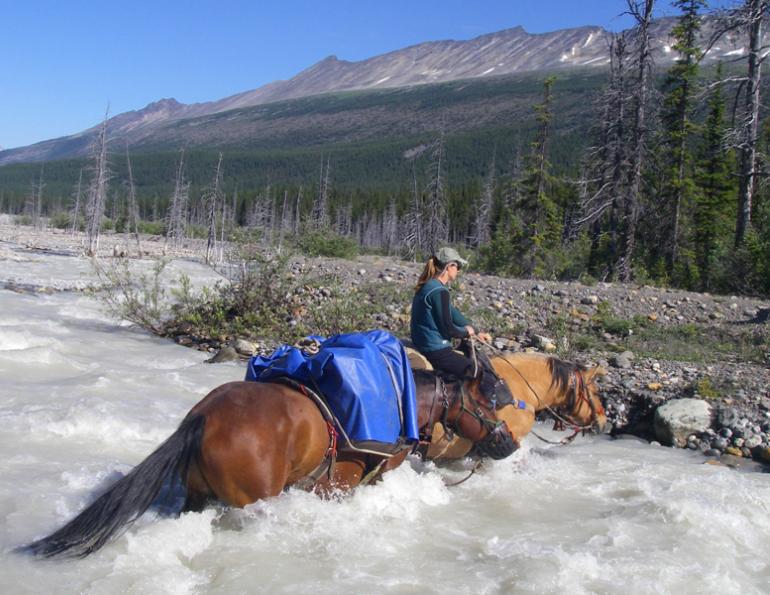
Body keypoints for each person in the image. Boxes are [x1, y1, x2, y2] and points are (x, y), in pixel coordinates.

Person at [410, 246, 492, 380]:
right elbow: (449, 329)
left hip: (423, 344)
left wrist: (475, 331)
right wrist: (466, 332)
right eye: (457, 266)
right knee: (475, 373)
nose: (458, 270)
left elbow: (453, 314)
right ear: (449, 266)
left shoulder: (429, 286)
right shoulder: (439, 292)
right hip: (436, 350)